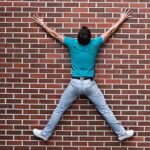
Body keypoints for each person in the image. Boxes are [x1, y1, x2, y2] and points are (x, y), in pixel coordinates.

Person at [32, 8, 134, 141]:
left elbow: (55, 34)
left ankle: (45, 134)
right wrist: (121, 19)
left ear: (78, 37)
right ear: (89, 38)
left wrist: (42, 24)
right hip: (90, 84)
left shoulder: (72, 43)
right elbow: (110, 31)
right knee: (105, 110)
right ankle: (121, 133)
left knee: (59, 109)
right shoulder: (95, 43)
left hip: (74, 84)